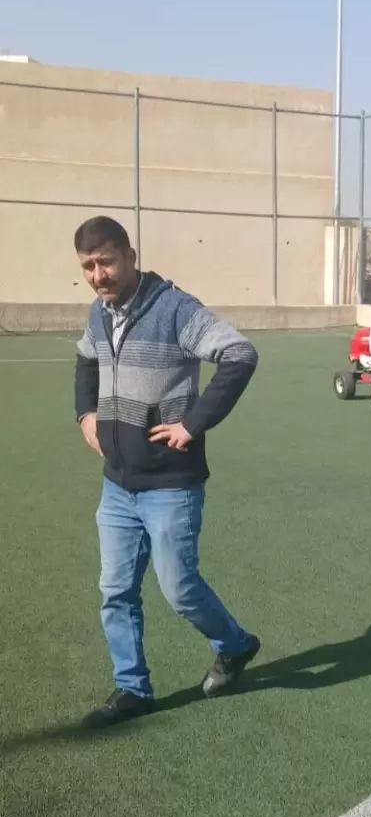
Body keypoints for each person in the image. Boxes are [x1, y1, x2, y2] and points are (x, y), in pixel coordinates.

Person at [74, 215, 260, 727]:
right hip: (118, 482)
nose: (98, 275)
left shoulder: (174, 309)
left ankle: (235, 645)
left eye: (106, 262)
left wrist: (193, 424)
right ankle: (132, 688)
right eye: (88, 266)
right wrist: (85, 413)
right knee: (115, 591)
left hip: (170, 484)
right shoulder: (98, 313)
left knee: (180, 590)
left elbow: (239, 354)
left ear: (130, 256)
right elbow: (85, 359)